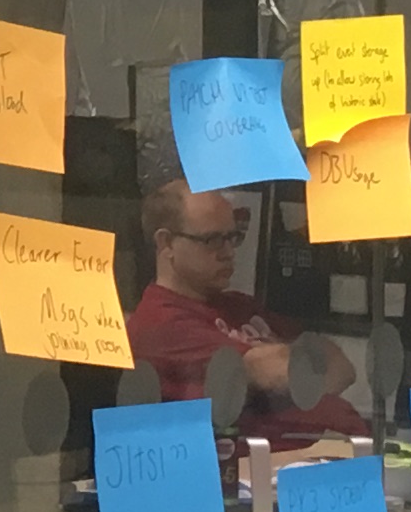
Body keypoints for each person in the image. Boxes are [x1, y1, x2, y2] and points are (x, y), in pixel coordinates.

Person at [131, 176, 369, 443]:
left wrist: (295, 370)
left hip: (340, 447)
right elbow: (276, 372)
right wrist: (290, 365)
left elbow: (341, 367)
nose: (229, 252)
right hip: (273, 459)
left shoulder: (238, 305)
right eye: (212, 240)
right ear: (166, 243)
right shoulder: (161, 321)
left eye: (233, 237)